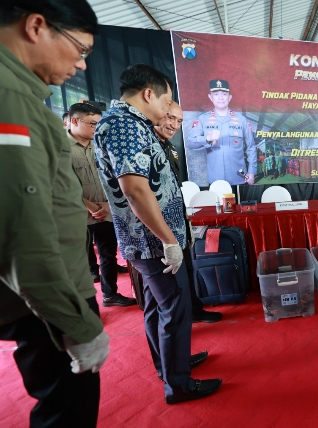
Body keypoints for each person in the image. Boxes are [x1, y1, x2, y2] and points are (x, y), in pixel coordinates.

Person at [0, 1, 110, 426]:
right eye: (80, 49)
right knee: (67, 411)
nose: (81, 65)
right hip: (48, 302)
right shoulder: (11, 100)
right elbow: (22, 234)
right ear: (36, 26)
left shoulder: (20, 96)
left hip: (43, 297)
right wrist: (78, 325)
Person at [94, 63, 221, 404]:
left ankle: (169, 365)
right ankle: (178, 384)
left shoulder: (131, 123)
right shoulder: (123, 125)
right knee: (175, 310)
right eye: (166, 103)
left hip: (150, 240)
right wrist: (168, 240)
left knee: (155, 306)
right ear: (148, 94)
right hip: (153, 243)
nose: (167, 112)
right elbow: (136, 190)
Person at [153, 101, 223, 323]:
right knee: (171, 288)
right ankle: (180, 326)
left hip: (177, 222)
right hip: (160, 229)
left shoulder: (169, 148)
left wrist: (184, 221)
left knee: (187, 273)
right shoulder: (148, 146)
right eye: (170, 118)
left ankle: (194, 311)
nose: (174, 125)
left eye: (179, 121)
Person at [68, 102, 137, 307]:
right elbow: (62, 184)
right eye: (92, 124)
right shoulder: (60, 148)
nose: (96, 128)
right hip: (78, 214)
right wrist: (90, 206)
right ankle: (82, 305)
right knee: (79, 261)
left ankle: (110, 294)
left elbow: (113, 176)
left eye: (99, 124)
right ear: (75, 121)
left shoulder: (99, 145)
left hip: (106, 211)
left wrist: (108, 204)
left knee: (108, 255)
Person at [186, 79, 257, 185]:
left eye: (224, 94)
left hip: (239, 178)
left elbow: (251, 147)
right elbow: (190, 143)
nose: (220, 98)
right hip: (215, 180)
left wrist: (252, 171)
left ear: (230, 97)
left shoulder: (242, 120)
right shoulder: (203, 119)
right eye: (216, 94)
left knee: (238, 197)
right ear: (210, 97)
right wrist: (206, 138)